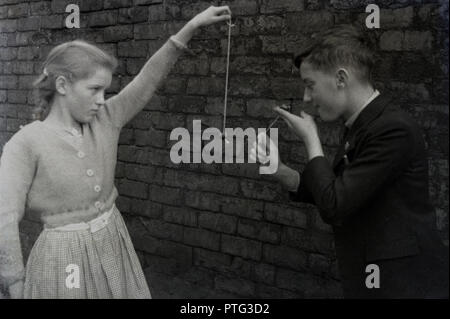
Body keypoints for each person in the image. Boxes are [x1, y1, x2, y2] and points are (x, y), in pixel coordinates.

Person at [0, 5, 232, 299]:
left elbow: (147, 80)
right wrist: (14, 282)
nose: (101, 100)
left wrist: (191, 27)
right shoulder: (25, 144)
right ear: (62, 85)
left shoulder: (107, 118)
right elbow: (4, 217)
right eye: (94, 89)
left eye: (105, 91)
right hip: (64, 260)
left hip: (112, 242)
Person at [251, 24, 449, 298]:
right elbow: (338, 189)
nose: (307, 98)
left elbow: (335, 206)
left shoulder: (392, 129)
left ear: (341, 78)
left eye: (310, 85)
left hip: (405, 285)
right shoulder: (361, 124)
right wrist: (281, 171)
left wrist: (311, 139)